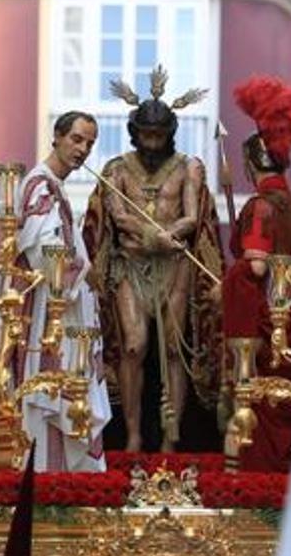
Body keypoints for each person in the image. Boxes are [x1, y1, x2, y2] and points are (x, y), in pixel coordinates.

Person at [83, 66, 225, 452]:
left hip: (174, 267)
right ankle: (131, 434)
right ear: (134, 132)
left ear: (169, 134)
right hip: (130, 265)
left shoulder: (189, 168)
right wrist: (150, 235)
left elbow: (193, 216)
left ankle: (170, 437)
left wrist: (170, 236)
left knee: (174, 349)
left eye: (159, 135)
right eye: (146, 134)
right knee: (134, 345)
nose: (151, 142)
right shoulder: (115, 170)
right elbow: (117, 215)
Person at [221, 75, 291, 472]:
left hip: (265, 341)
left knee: (251, 429)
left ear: (251, 163)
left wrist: (227, 284)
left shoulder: (259, 208)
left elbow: (256, 266)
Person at [12, 110, 112, 471]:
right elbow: (44, 253)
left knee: (64, 395)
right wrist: (85, 271)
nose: (83, 149)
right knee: (51, 395)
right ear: (56, 136)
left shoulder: (55, 188)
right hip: (46, 314)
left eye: (89, 143)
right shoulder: (40, 185)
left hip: (61, 310)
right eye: (77, 139)